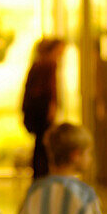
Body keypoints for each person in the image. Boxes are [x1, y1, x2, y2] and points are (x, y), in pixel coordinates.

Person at [22, 38, 65, 179]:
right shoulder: (49, 65)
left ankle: (39, 176)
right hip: (43, 111)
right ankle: (43, 176)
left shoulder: (37, 65)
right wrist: (51, 110)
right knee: (43, 146)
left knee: (39, 146)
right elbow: (50, 91)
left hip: (35, 111)